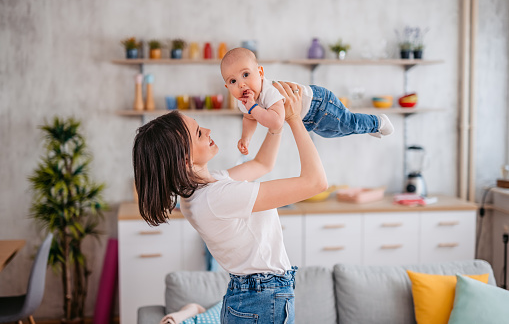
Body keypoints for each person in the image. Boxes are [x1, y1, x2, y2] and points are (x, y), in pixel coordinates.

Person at [132, 81, 327, 324]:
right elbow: (315, 183)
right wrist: (295, 119)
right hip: (263, 300)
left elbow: (262, 164)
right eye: (199, 133)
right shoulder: (217, 197)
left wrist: (276, 123)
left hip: (253, 298)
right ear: (184, 160)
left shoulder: (200, 191)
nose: (208, 130)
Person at [220, 47, 395, 155]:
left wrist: (253, 107)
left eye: (245, 74)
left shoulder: (269, 91)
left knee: (347, 123)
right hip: (308, 119)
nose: (241, 84)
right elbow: (249, 118)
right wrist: (246, 138)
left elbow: (275, 121)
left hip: (319, 104)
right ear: (228, 88)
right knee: (332, 133)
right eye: (233, 81)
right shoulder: (244, 103)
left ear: (260, 73)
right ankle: (369, 128)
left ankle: (377, 121)